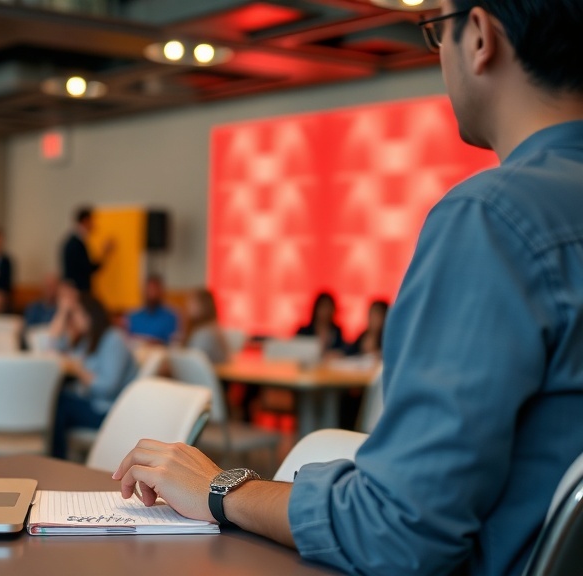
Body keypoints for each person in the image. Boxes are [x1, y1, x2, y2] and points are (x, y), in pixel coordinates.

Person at [113, 1, 583, 573]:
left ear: (480, 36)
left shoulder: (492, 219)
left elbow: (397, 532)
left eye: (436, 31)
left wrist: (221, 488)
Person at [49, 291, 137, 459]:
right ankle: (57, 456)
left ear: (90, 315)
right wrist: (62, 311)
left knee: (59, 402)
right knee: (58, 399)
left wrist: (79, 370)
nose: (73, 319)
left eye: (76, 313)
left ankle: (56, 457)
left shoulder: (113, 339)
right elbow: (52, 345)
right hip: (92, 402)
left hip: (108, 410)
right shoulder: (87, 340)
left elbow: (108, 388)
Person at [60, 207, 113, 293]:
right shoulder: (75, 244)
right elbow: (87, 269)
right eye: (92, 221)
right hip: (79, 292)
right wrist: (104, 253)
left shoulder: (73, 242)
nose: (94, 225)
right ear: (85, 221)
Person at [126, 275, 179, 345]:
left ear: (161, 292)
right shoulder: (133, 316)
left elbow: (173, 342)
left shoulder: (170, 317)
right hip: (136, 352)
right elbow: (128, 340)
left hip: (161, 353)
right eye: (149, 290)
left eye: (155, 290)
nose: (152, 294)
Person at [183, 288, 228, 364]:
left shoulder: (205, 333)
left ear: (203, 306)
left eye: (192, 303)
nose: (188, 306)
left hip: (211, 373)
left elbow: (193, 360)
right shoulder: (210, 327)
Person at [295, 291, 346, 356]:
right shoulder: (304, 331)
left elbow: (342, 351)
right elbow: (296, 351)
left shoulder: (337, 331)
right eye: (323, 306)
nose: (326, 311)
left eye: (329, 307)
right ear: (316, 308)